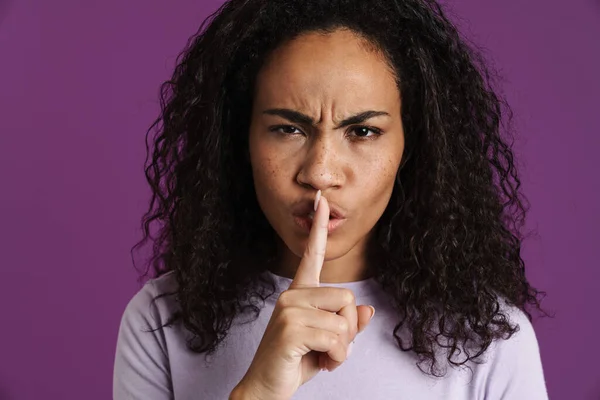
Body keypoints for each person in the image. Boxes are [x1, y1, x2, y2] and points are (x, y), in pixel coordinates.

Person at [113, 0, 550, 398]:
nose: (320, 173)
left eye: (363, 132)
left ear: (412, 148)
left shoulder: (488, 341)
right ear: (239, 141)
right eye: (288, 129)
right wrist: (260, 389)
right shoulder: (161, 321)